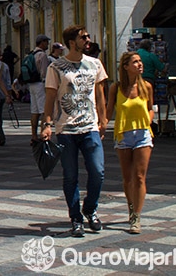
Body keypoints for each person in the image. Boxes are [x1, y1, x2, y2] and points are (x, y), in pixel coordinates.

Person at [40, 25, 108, 238]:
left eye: (87, 36)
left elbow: (99, 94)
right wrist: (47, 124)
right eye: (83, 37)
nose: (87, 40)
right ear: (72, 42)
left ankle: (90, 208)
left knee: (98, 171)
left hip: (90, 127)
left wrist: (104, 119)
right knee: (70, 176)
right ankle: (76, 218)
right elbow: (50, 98)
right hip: (66, 130)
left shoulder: (94, 64)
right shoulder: (56, 68)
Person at [106, 51, 154, 234]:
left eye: (140, 61)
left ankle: (137, 217)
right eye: (135, 62)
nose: (140, 64)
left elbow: (151, 109)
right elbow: (109, 110)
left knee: (140, 176)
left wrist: (149, 120)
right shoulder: (116, 88)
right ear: (125, 67)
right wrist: (100, 126)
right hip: (123, 135)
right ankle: (131, 208)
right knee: (128, 178)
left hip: (142, 134)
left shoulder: (146, 87)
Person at [28, 34, 51, 146]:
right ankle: (43, 133)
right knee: (43, 110)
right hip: (40, 84)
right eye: (46, 42)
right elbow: (44, 73)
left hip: (31, 84)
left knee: (34, 111)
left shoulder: (31, 54)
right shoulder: (42, 55)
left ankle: (33, 135)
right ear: (42, 42)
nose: (48, 44)